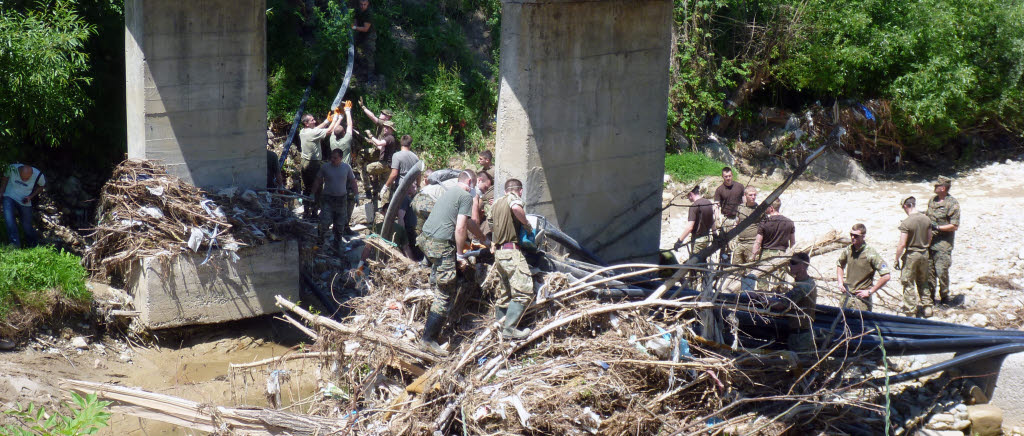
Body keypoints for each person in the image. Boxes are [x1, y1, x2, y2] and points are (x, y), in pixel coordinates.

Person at [417, 170, 491, 355]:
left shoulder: (450, 191)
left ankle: (433, 294)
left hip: (426, 240)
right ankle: (428, 339)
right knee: (446, 291)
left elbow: (469, 224)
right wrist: (459, 255)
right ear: (471, 183)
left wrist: (483, 238)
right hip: (441, 245)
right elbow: (460, 228)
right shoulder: (466, 196)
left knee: (441, 277)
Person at [490, 178, 534, 340]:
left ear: (505, 190)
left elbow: (490, 223)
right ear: (519, 191)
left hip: (499, 253)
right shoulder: (513, 199)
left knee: (505, 293)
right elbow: (516, 208)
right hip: (511, 251)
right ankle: (510, 329)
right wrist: (527, 225)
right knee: (523, 291)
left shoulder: (496, 203)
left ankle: (499, 326)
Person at [768, 253, 817, 352]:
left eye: (794, 263)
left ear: (803, 266)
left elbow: (781, 305)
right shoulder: (807, 282)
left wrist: (763, 300)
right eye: (790, 262)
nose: (790, 265)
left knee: (800, 364)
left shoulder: (803, 287)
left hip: (801, 337)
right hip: (799, 334)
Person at [311, 149, 358, 250]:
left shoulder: (346, 167)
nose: (332, 159)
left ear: (341, 158)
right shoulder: (325, 167)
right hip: (328, 199)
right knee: (324, 222)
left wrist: (356, 195)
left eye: (335, 158)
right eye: (331, 157)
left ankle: (337, 245)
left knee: (340, 224)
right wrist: (312, 193)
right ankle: (320, 242)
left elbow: (353, 181)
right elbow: (317, 180)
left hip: (341, 200)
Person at [836, 224, 891, 311]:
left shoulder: (870, 253)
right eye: (851, 235)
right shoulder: (848, 250)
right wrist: (840, 282)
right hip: (846, 296)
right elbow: (840, 264)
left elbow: (886, 276)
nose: (853, 237)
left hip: (861, 300)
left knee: (861, 323)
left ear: (863, 236)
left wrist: (870, 292)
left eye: (856, 236)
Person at [299, 109, 342, 219]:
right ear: (306, 123)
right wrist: (336, 118)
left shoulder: (303, 131)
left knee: (307, 188)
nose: (314, 121)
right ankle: (313, 213)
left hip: (304, 162)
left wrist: (327, 120)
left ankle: (306, 211)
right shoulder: (312, 133)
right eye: (312, 120)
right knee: (316, 188)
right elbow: (329, 131)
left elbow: (317, 129)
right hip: (313, 164)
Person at [895, 196, 933, 317]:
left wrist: (896, 259)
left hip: (912, 255)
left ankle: (910, 310)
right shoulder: (926, 219)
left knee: (908, 282)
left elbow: (902, 244)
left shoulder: (906, 222)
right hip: (924, 253)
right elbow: (930, 237)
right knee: (923, 280)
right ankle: (927, 307)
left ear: (906, 206)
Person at [927, 176, 960, 306]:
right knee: (929, 272)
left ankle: (944, 297)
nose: (934, 188)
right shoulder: (932, 200)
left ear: (943, 188)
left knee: (942, 271)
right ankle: (929, 298)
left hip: (943, 245)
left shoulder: (952, 203)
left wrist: (938, 227)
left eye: (937, 186)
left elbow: (954, 226)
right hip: (929, 242)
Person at [384, 135, 420, 245]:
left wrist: (385, 186)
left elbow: (394, 174)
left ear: (401, 143)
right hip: (412, 189)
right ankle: (410, 238)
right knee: (409, 216)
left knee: (400, 216)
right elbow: (419, 173)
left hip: (401, 189)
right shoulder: (415, 157)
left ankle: (401, 241)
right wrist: (418, 186)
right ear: (410, 144)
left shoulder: (397, 156)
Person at [1, 163, 45, 248]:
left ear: (32, 174)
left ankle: (33, 245)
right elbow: (5, 178)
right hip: (9, 195)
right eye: (23, 178)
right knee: (9, 220)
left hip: (25, 200)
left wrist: (31, 197)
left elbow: (41, 186)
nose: (24, 180)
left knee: (27, 225)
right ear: (19, 172)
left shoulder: (39, 175)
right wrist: (1, 191)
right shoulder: (11, 169)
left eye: (27, 178)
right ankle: (14, 245)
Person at [330, 102, 357, 235]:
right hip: (345, 174)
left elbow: (335, 129)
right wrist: (347, 111)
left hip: (333, 174)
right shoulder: (346, 141)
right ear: (344, 133)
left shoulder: (331, 140)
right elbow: (350, 125)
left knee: (335, 200)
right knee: (348, 200)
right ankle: (344, 226)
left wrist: (337, 116)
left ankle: (335, 224)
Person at [674, 186, 715, 255]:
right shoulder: (708, 202)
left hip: (698, 239)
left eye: (687, 196)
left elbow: (690, 227)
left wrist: (679, 241)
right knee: (703, 259)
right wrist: (715, 234)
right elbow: (712, 220)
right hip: (707, 237)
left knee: (696, 261)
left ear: (691, 194)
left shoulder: (694, 206)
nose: (688, 198)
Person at [732, 186, 761, 264]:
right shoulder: (740, 207)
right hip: (740, 242)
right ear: (745, 195)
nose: (753, 197)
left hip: (752, 243)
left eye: (755, 195)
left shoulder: (759, 209)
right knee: (736, 268)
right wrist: (733, 238)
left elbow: (764, 227)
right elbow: (736, 222)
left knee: (750, 268)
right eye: (750, 195)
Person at [713, 167, 745, 235]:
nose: (728, 178)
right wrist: (717, 219)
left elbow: (744, 201)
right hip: (727, 219)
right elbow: (716, 205)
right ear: (722, 177)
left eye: (729, 176)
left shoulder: (740, 186)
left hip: (739, 217)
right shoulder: (719, 190)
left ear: (732, 175)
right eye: (726, 176)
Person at [352, 0, 376, 82]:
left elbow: (366, 29)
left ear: (368, 4)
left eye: (364, 4)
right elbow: (355, 20)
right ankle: (356, 64)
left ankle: (371, 77)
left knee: (369, 54)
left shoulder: (369, 13)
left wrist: (354, 28)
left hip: (369, 35)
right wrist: (354, 26)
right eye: (361, 4)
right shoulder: (358, 10)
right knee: (351, 45)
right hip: (360, 33)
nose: (363, 6)